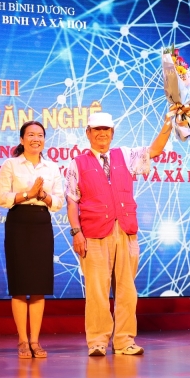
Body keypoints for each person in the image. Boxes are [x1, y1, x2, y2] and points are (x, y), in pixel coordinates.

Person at [65, 111, 173, 357]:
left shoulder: (124, 155)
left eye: (106, 129)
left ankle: (124, 341)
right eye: (97, 130)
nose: (102, 133)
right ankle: (97, 341)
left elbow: (154, 150)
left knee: (126, 289)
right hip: (92, 233)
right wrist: (76, 233)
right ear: (88, 134)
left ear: (112, 133)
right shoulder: (77, 163)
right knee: (96, 290)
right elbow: (72, 201)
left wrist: (168, 123)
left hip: (125, 231)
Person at [0, 121, 64, 359]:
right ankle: (22, 341)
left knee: (38, 287)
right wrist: (27, 194)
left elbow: (58, 202)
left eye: (40, 135)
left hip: (41, 223)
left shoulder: (52, 167)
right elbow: (1, 197)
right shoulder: (11, 164)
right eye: (31, 135)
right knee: (20, 286)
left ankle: (35, 340)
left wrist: (42, 195)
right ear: (22, 139)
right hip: (18, 223)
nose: (36, 139)